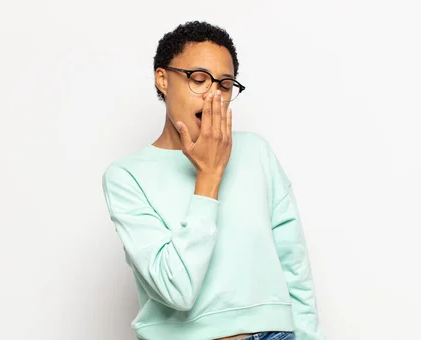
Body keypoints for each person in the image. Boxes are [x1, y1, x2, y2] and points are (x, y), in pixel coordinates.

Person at [101, 21, 324, 340]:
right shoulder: (126, 177)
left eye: (224, 85)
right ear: (163, 79)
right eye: (199, 79)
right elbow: (176, 289)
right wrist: (209, 174)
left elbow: (294, 266)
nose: (213, 96)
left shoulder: (256, 152)